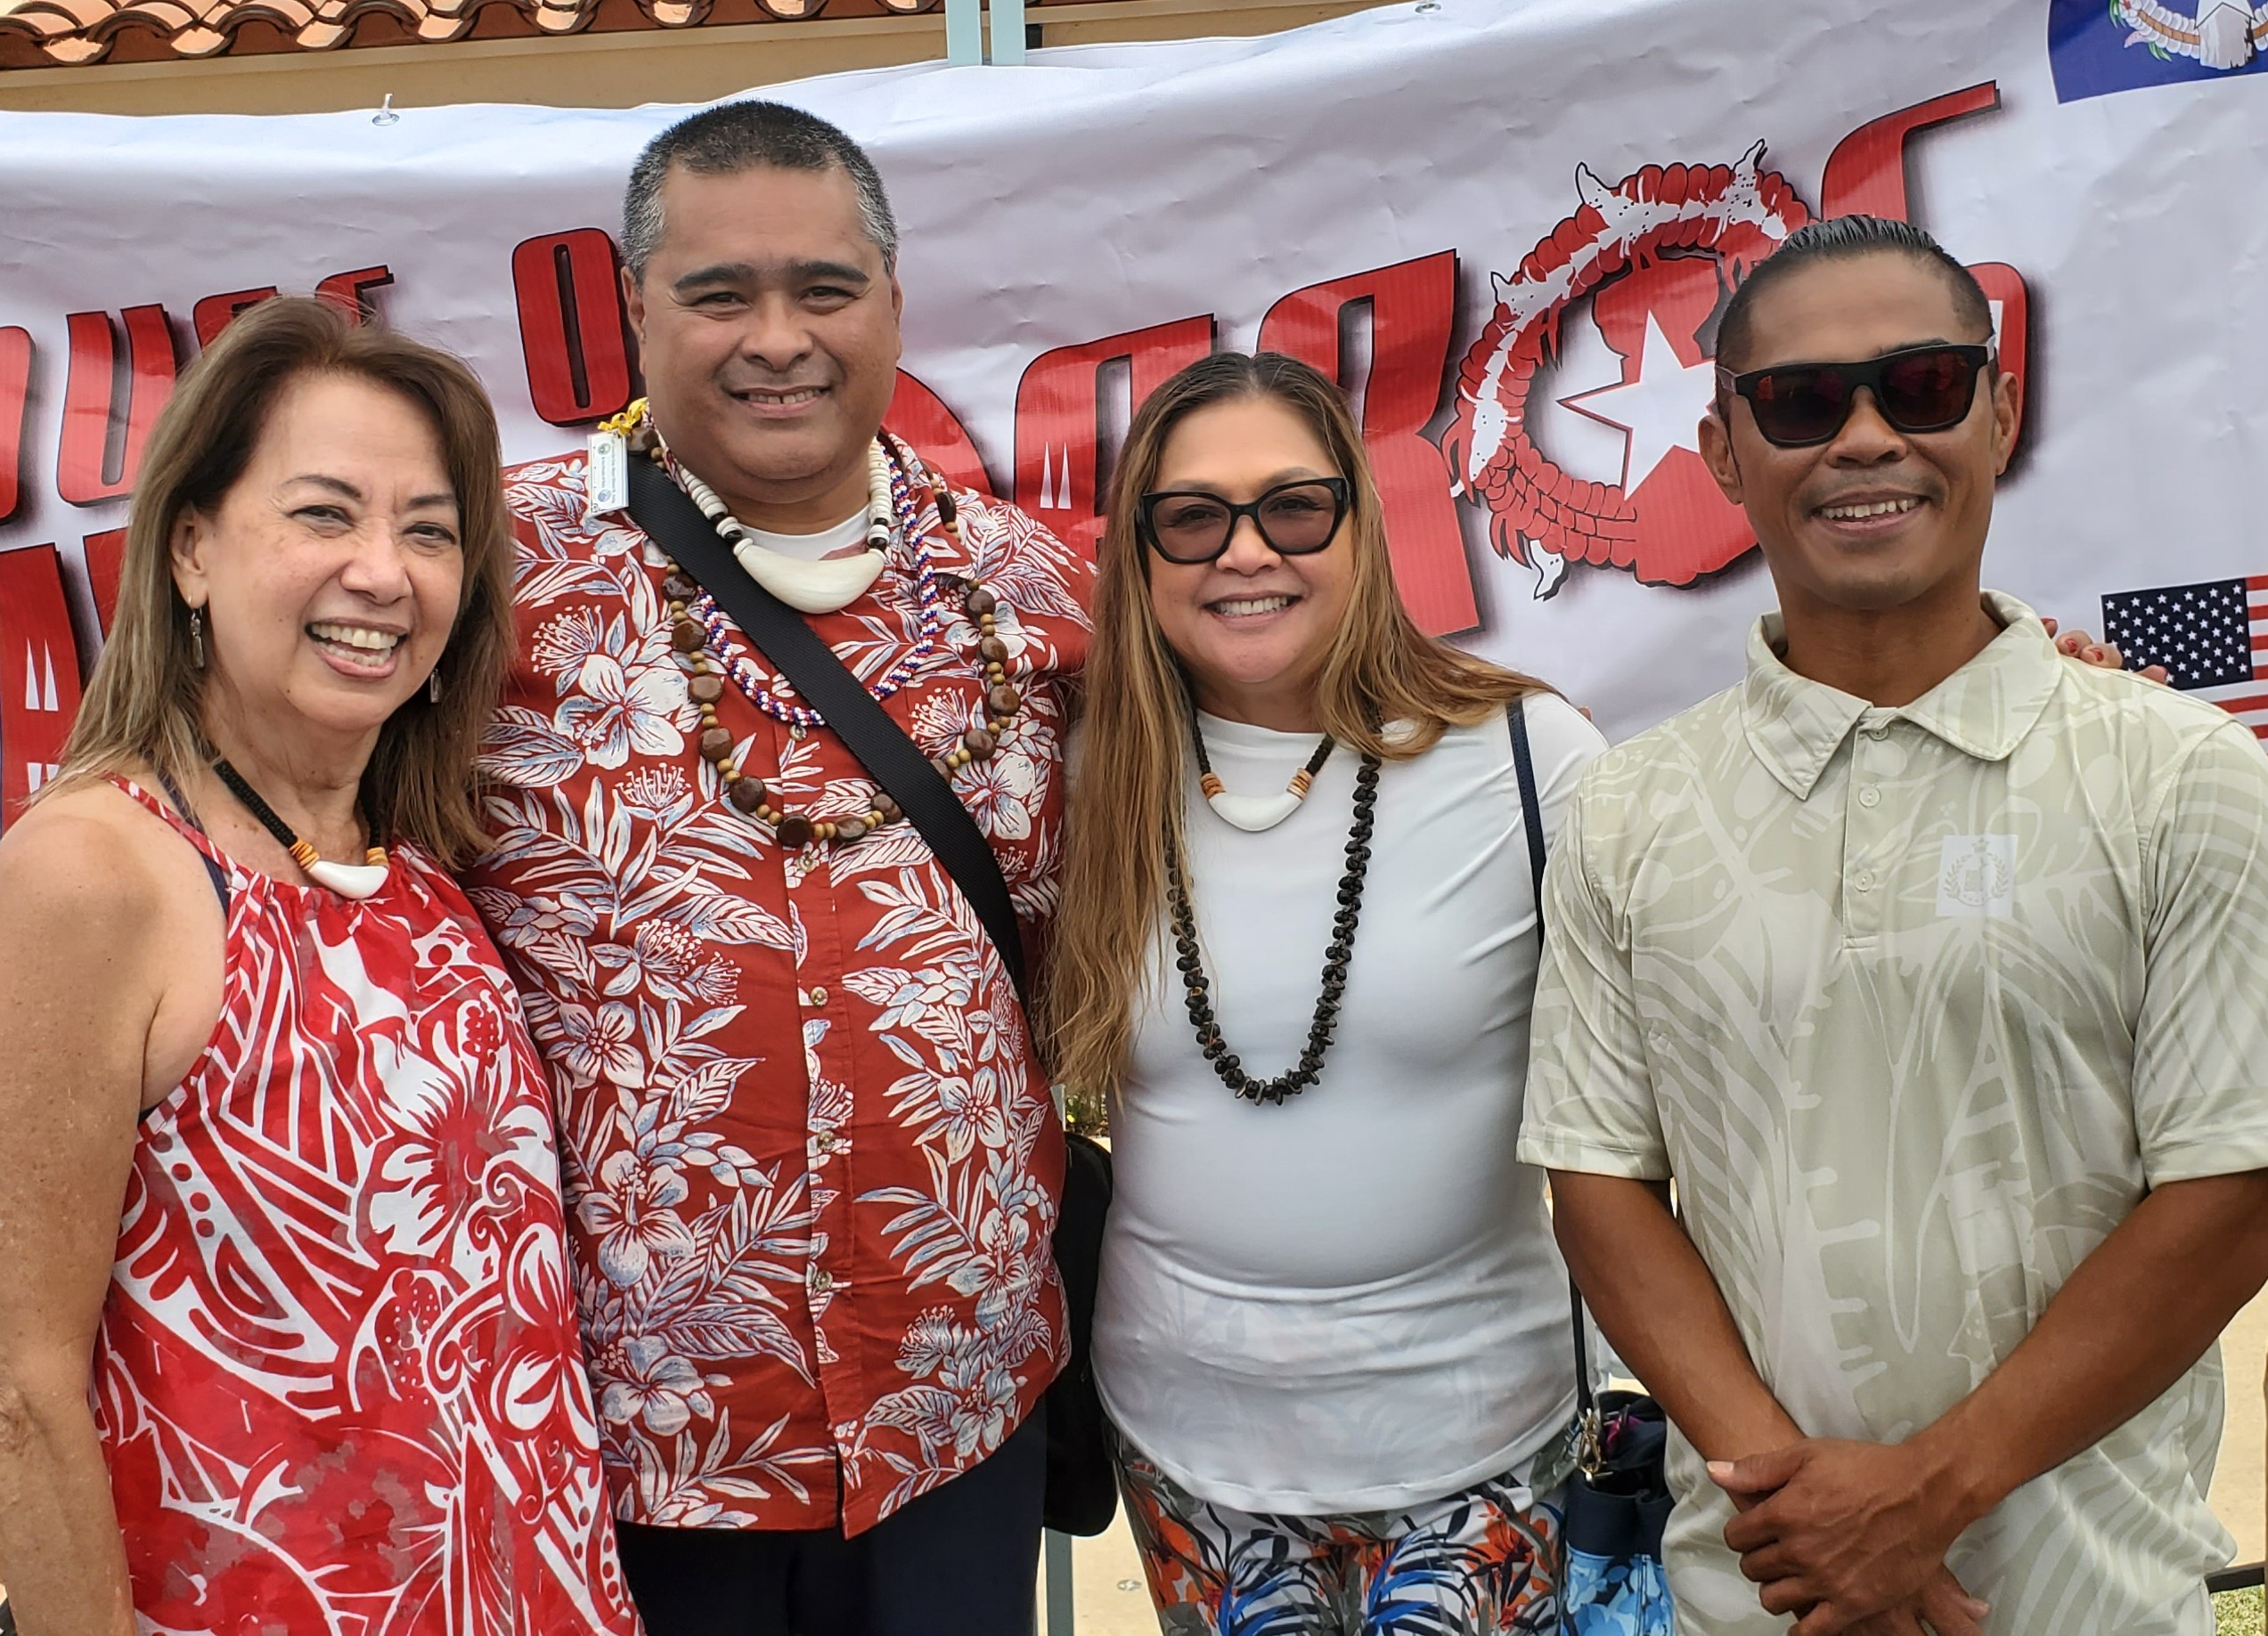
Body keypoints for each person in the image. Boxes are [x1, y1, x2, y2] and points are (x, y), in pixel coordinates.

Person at [1519, 214, 2268, 1636]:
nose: (1862, 437)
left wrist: (1924, 1493)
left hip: (2088, 1598)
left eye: (1916, 386)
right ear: (1725, 451)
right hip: (1763, 1590)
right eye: (1801, 402)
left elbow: (2232, 1187)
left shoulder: (2183, 777)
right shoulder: (1629, 813)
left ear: (1996, 410)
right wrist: (1809, 1519)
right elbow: (1599, 1182)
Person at [462, 102, 1091, 1634]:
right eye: (716, 292)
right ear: (632, 308)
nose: (777, 339)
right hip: (632, 1431)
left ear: (891, 301)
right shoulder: (488, 571)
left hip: (957, 1397)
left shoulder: (1037, 588)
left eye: (822, 289)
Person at [0, 296, 640, 1635]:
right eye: (323, 513)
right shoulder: (97, 872)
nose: (383, 573)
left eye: (429, 530)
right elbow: (17, 1383)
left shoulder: (409, 868)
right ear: (188, 549)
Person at [1043, 350, 1607, 1633]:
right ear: (1137, 554)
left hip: (1482, 1440)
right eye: (1190, 517)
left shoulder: (1529, 754)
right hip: (1187, 1447)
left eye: (1293, 506)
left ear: (1360, 525)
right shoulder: (1077, 773)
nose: (1244, 551)